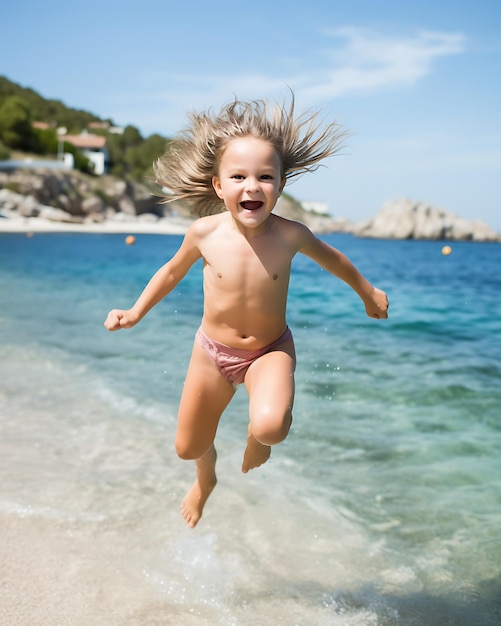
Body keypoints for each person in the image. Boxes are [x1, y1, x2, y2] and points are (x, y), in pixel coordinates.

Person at [104, 97, 389, 528]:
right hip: (210, 354)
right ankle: (206, 480)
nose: (252, 186)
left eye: (264, 177)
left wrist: (367, 293)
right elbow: (170, 272)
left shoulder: (291, 235)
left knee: (272, 425)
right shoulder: (204, 232)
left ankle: (260, 437)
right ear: (219, 186)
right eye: (238, 176)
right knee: (187, 447)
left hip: (269, 351)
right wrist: (136, 311)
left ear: (281, 183)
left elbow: (334, 260)